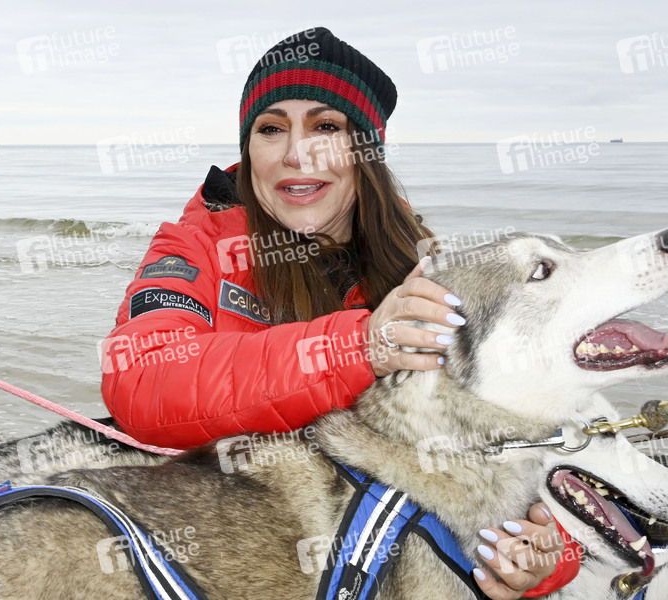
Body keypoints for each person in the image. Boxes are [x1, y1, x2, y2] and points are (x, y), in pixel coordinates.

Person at [101, 27, 577, 599]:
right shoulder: (194, 246)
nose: (296, 154)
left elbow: (506, 433)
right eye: (271, 128)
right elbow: (143, 378)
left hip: (368, 560)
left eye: (326, 127)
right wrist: (360, 346)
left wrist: (543, 559)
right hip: (219, 559)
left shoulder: (420, 260)